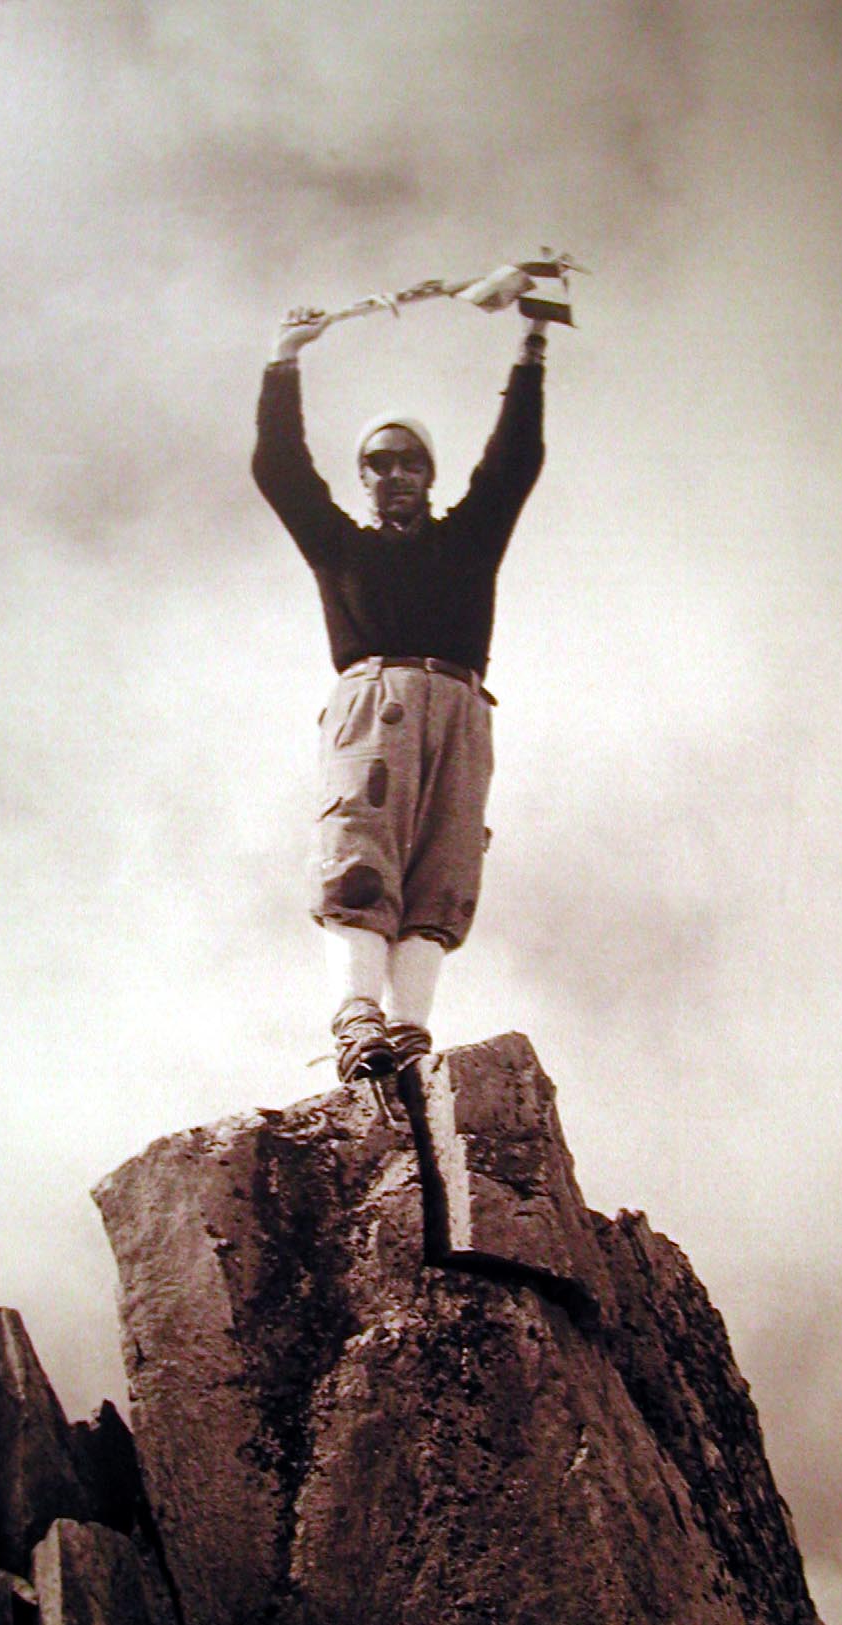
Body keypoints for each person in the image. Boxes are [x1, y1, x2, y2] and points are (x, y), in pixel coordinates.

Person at [252, 300, 548, 1083]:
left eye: (408, 461)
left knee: (443, 871)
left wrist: (532, 344)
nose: (393, 474)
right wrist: (284, 358)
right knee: (360, 855)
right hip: (374, 700)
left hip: (460, 704)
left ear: (429, 474)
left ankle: (410, 1031)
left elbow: (513, 461)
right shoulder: (340, 548)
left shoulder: (467, 542)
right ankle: (357, 1019)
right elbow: (279, 470)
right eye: (378, 463)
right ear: (363, 478)